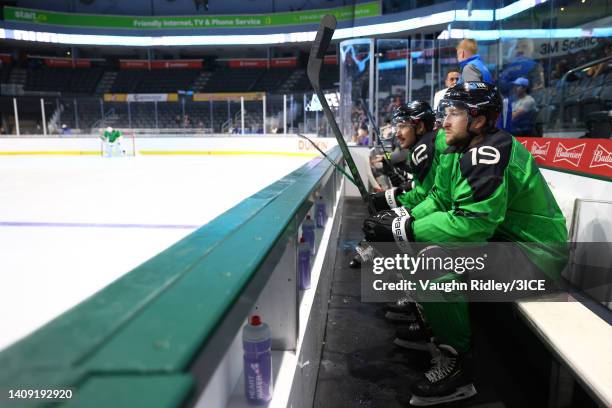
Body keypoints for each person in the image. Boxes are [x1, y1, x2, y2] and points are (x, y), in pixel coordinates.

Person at [362, 82, 567, 406]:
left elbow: (473, 222)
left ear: (480, 120)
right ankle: (435, 325)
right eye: (445, 112)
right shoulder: (459, 148)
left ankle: (459, 368)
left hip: (535, 256)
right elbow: (440, 200)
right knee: (418, 246)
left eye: (454, 113)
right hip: (504, 244)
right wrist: (399, 220)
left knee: (431, 261)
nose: (444, 121)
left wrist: (406, 229)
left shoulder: (490, 151)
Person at [350, 101, 444, 269]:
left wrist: (398, 210)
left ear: (420, 126)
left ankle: (385, 261)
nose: (397, 133)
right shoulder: (427, 143)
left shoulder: (423, 149)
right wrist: (393, 196)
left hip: (444, 217)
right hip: (438, 211)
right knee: (382, 222)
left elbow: (427, 196)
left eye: (402, 126)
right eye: (397, 127)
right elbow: (421, 188)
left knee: (382, 226)